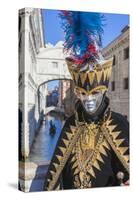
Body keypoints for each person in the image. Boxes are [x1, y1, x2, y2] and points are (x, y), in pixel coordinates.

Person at [43, 11, 129, 190]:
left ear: (103, 91)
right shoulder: (70, 124)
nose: (88, 99)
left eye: (94, 93)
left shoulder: (119, 123)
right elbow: (54, 174)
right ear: (77, 93)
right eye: (82, 93)